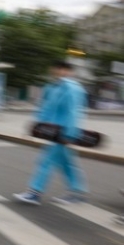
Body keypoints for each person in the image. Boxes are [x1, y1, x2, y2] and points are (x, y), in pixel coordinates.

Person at [13, 61, 88, 205]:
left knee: (46, 161)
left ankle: (34, 192)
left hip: (63, 132)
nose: (55, 71)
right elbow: (46, 108)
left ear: (66, 71)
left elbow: (74, 112)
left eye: (59, 69)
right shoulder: (54, 87)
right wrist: (36, 126)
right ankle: (77, 193)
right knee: (67, 163)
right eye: (55, 69)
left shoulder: (71, 88)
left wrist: (70, 134)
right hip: (53, 131)